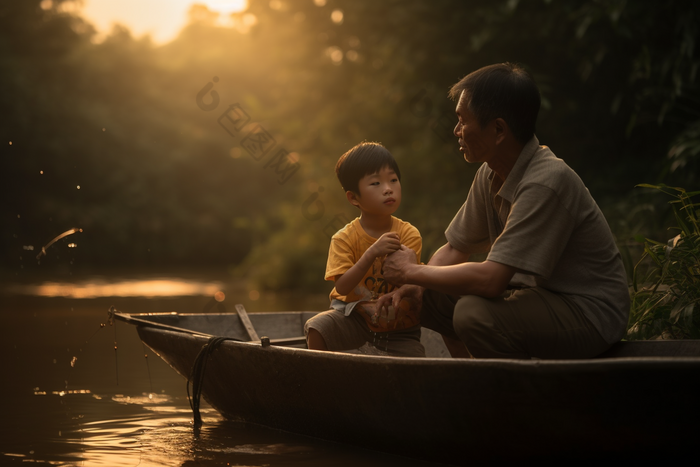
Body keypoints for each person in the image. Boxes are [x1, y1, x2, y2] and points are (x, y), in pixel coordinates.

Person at [377, 63, 630, 359]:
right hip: (538, 297)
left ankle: (509, 397)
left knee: (472, 314)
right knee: (431, 294)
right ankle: (467, 379)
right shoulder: (490, 172)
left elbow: (491, 279)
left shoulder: (546, 181)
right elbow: (456, 248)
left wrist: (410, 270)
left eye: (462, 121)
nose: (456, 131)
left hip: (588, 313)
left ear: (498, 129)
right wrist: (416, 283)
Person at [305, 142, 425, 357]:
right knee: (317, 328)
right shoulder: (343, 238)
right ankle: (322, 377)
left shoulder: (408, 234)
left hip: (398, 324)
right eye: (376, 183)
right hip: (353, 317)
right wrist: (371, 252)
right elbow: (342, 287)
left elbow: (412, 281)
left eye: (393, 180)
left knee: (416, 363)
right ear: (353, 198)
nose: (388, 188)